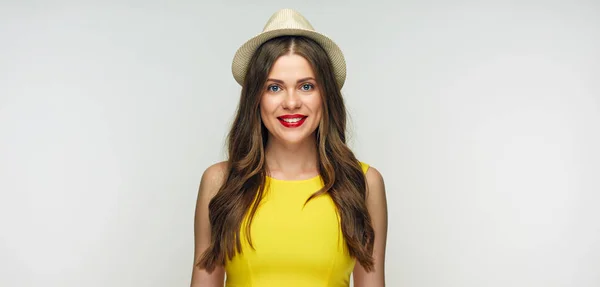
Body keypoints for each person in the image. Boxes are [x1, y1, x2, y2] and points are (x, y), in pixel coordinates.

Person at [190, 8, 388, 287]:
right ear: (255, 98)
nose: (292, 102)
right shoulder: (220, 182)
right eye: (274, 88)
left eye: (306, 86)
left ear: (326, 95)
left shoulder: (363, 184)